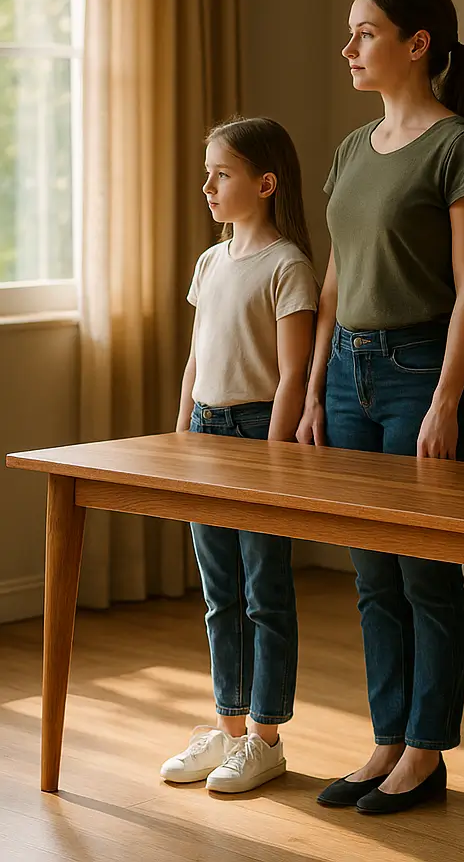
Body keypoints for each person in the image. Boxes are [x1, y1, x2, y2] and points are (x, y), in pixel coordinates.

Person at [298, 0, 464, 816]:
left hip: (423, 369)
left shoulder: (462, 147)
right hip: (347, 373)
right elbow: (337, 279)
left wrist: (448, 399)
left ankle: (427, 750)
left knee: (425, 573)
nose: (349, 49)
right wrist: (314, 389)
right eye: (351, 34)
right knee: (371, 574)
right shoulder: (351, 148)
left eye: (365, 33)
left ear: (418, 44)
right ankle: (385, 740)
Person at [160, 116, 319, 793]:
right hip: (204, 431)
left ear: (265, 182)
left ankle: (265, 738)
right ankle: (227, 730)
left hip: (258, 433)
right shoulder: (210, 261)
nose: (207, 186)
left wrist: (275, 456)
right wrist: (180, 434)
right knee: (218, 591)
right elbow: (198, 359)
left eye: (220, 174)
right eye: (208, 172)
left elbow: (291, 373)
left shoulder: (287, 265)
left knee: (264, 592)